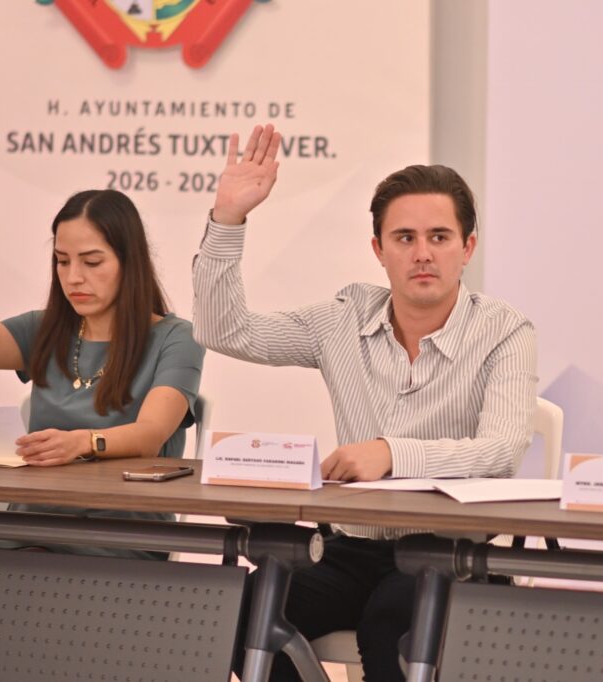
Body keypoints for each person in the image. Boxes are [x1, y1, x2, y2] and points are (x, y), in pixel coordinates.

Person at [192, 124, 537, 681]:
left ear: (467, 248)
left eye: (439, 237)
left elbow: (500, 451)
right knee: (243, 611)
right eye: (404, 238)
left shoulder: (505, 331)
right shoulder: (343, 319)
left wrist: (392, 453)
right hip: (349, 548)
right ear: (378, 250)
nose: (422, 254)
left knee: (390, 625)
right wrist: (228, 219)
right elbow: (222, 329)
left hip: (448, 554)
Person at [0, 147, 205, 559]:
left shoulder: (176, 338)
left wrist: (82, 442)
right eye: (62, 261)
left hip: (121, 539)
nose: (74, 278)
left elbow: (150, 435)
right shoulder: (44, 329)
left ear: (130, 262)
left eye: (92, 262)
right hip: (30, 529)